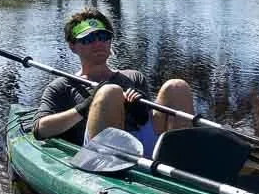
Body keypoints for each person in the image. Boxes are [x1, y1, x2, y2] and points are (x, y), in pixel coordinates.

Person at [31, 8, 194, 155]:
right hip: (100, 155)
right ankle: (112, 170)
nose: (98, 43)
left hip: (141, 146)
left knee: (177, 87)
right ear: (73, 46)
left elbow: (148, 123)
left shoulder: (133, 77)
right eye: (88, 39)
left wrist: (141, 113)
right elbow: (40, 130)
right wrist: (83, 109)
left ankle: (180, 164)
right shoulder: (61, 87)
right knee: (110, 92)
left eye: (103, 37)